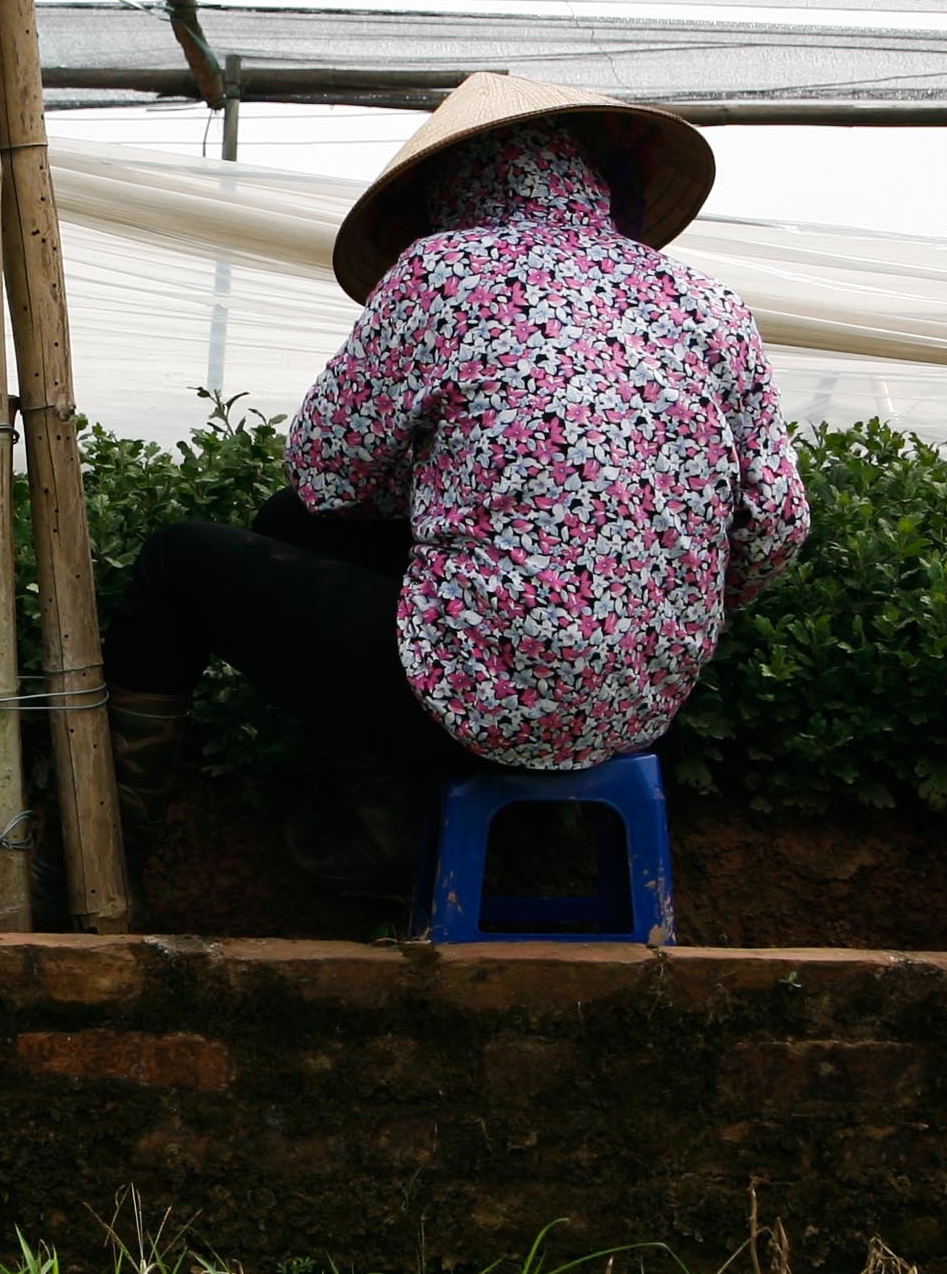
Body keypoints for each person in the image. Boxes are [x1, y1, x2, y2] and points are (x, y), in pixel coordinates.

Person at [88, 71, 812, 899]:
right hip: (641, 707)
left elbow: (326, 468)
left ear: (449, 188)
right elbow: (779, 527)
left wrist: (443, 483)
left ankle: (99, 864)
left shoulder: (442, 273)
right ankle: (384, 819)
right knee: (287, 526)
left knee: (180, 561)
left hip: (477, 702)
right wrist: (647, 596)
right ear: (594, 177)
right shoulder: (707, 302)